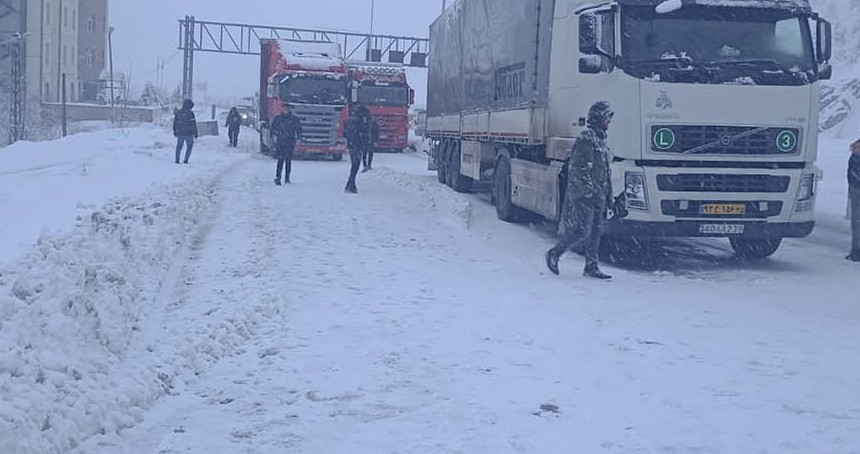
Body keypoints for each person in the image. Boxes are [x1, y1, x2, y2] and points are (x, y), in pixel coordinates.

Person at [545, 101, 615, 280]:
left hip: (599, 194)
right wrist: (589, 191)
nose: (609, 121)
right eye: (607, 117)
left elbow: (606, 171)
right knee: (581, 230)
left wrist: (609, 196)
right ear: (598, 117)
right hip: (585, 194)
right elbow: (578, 168)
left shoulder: (601, 140)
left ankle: (591, 266)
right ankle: (554, 253)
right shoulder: (586, 139)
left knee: (596, 231)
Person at [343, 104, 374, 193]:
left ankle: (350, 184)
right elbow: (364, 133)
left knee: (354, 165)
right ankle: (350, 185)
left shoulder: (350, 120)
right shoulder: (360, 121)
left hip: (352, 145)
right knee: (355, 166)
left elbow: (346, 133)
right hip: (357, 145)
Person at [271, 103, 303, 185]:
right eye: (284, 109)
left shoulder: (294, 119)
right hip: (280, 142)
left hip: (290, 142)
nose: (286, 110)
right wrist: (275, 136)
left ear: (289, 110)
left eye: (287, 109)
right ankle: (278, 177)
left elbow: (299, 129)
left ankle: (287, 178)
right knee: (280, 160)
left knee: (288, 161)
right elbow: (272, 129)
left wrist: (299, 139)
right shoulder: (278, 119)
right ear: (282, 109)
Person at [173, 99, 198, 164]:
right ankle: (186, 160)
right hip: (189, 134)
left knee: (179, 147)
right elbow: (193, 124)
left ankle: (177, 160)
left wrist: (175, 131)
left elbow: (175, 123)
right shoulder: (191, 113)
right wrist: (195, 133)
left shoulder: (178, 112)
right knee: (189, 147)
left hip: (180, 133)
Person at [847, 139, 860, 261]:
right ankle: (856, 250)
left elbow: (853, 173)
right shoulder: (855, 158)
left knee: (857, 221)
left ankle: (856, 250)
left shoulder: (855, 158)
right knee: (856, 220)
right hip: (854, 188)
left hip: (855, 188)